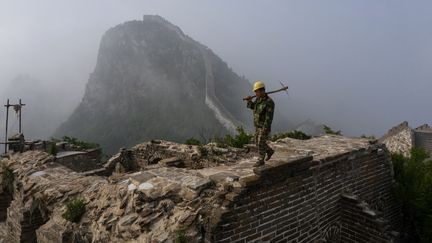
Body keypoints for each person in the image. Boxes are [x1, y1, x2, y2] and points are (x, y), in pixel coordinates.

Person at [245, 81, 275, 167]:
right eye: (255, 92)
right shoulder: (258, 99)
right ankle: (269, 151)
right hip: (257, 126)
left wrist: (265, 129)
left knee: (260, 142)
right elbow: (253, 107)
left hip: (264, 126)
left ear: (262, 91)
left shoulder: (269, 102)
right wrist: (249, 101)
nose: (255, 93)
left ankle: (261, 160)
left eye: (256, 91)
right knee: (256, 142)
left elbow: (269, 118)